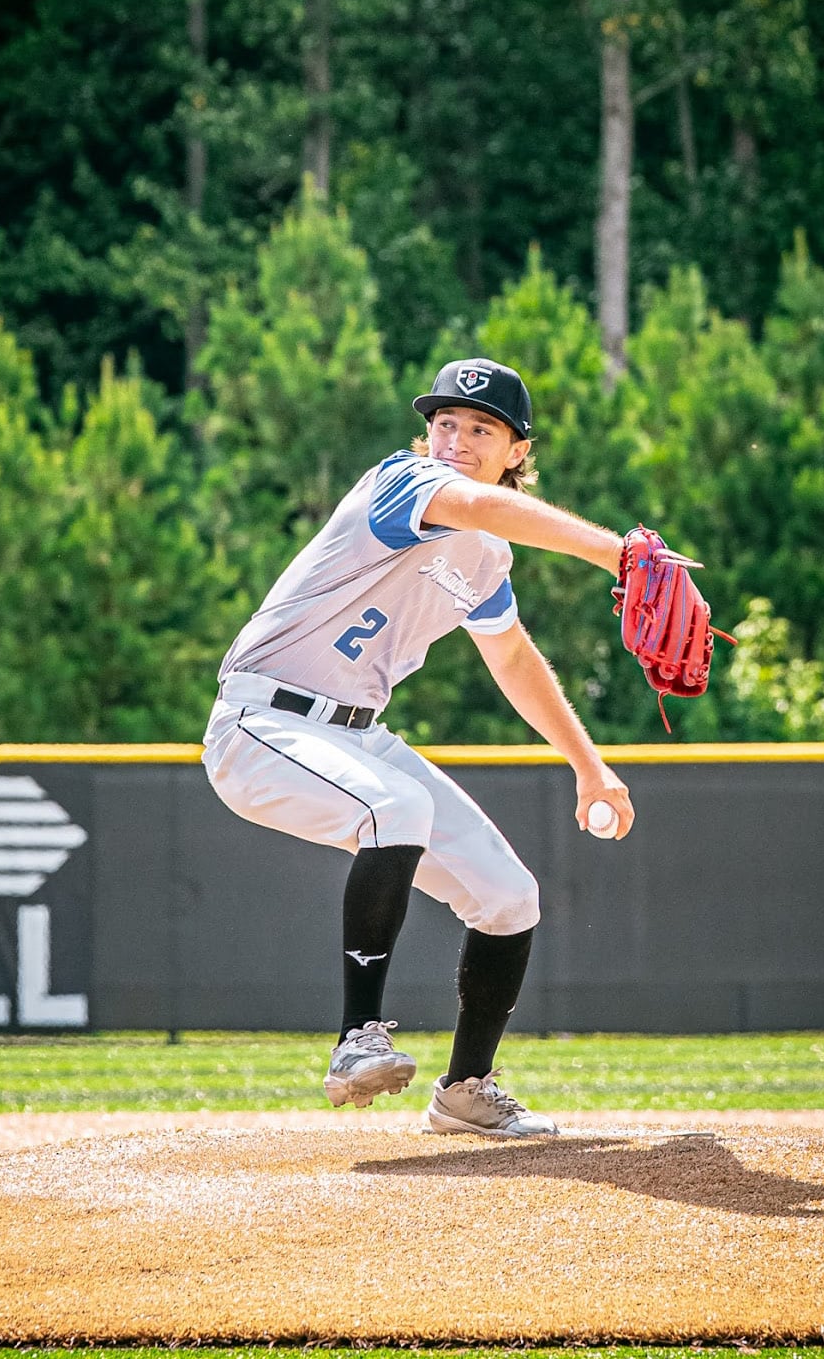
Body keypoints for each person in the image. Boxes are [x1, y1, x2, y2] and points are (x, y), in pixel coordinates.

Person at [202, 357, 635, 1138]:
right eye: (446, 423)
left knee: (510, 897)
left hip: (357, 734)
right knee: (395, 806)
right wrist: (616, 554)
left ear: (518, 452)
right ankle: (355, 1041)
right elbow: (471, 501)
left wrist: (588, 764)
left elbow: (510, 657)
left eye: (481, 429)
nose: (457, 439)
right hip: (260, 724)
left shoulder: (484, 555)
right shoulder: (405, 481)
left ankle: (466, 1090)